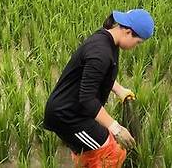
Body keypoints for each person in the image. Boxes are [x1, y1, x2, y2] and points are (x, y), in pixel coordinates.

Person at [44, 9, 155, 168]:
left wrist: (119, 90)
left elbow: (99, 75)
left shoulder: (108, 38)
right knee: (112, 154)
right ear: (128, 32)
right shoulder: (101, 52)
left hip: (77, 110)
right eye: (138, 43)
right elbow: (87, 99)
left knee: (96, 150)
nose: (136, 47)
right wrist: (116, 128)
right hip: (67, 116)